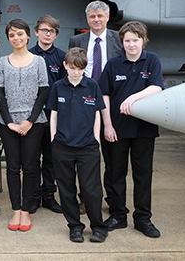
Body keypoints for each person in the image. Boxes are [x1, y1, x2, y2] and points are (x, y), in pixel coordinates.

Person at [99, 21, 164, 238]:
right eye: (127, 40)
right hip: (117, 129)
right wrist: (107, 125)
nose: (132, 44)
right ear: (122, 43)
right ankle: (118, 215)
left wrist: (133, 97)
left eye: (136, 40)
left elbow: (156, 87)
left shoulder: (152, 59)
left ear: (143, 40)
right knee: (115, 173)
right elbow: (104, 96)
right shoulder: (113, 64)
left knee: (143, 175)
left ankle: (143, 219)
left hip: (144, 129)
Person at [47, 47, 108, 243]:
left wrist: (96, 139)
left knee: (91, 189)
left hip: (87, 146)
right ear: (65, 66)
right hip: (62, 146)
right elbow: (53, 113)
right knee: (66, 189)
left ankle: (98, 226)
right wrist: (53, 138)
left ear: (85, 68)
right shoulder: (58, 86)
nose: (76, 72)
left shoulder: (92, 86)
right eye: (72, 68)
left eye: (80, 68)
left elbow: (97, 112)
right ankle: (74, 226)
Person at [0, 19, 49, 232]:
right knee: (12, 166)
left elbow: (43, 91)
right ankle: (15, 209)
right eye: (11, 35)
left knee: (30, 166)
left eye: (20, 34)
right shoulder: (2, 62)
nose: (16, 38)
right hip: (7, 123)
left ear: (28, 36)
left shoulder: (39, 62)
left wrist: (30, 120)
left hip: (33, 123)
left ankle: (26, 210)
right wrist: (8, 121)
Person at [68, 0, 122, 211]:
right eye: (92, 16)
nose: (96, 20)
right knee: (85, 157)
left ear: (107, 17)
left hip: (113, 103)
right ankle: (86, 199)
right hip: (84, 103)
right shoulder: (76, 40)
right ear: (87, 18)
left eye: (100, 16)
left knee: (113, 156)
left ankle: (112, 199)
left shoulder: (118, 39)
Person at [28, 15, 66, 214]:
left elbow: (64, 88)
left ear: (56, 35)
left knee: (51, 159)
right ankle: (34, 195)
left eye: (51, 31)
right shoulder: (28, 55)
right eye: (44, 30)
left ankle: (49, 195)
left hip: (52, 117)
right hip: (32, 117)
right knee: (33, 158)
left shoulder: (61, 57)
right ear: (36, 32)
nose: (47, 34)